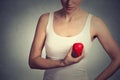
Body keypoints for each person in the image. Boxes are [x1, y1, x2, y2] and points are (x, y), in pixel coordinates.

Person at [29, 0, 120, 80]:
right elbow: (33, 61)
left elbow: (118, 58)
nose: (69, 2)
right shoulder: (45, 19)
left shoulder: (95, 23)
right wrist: (63, 63)